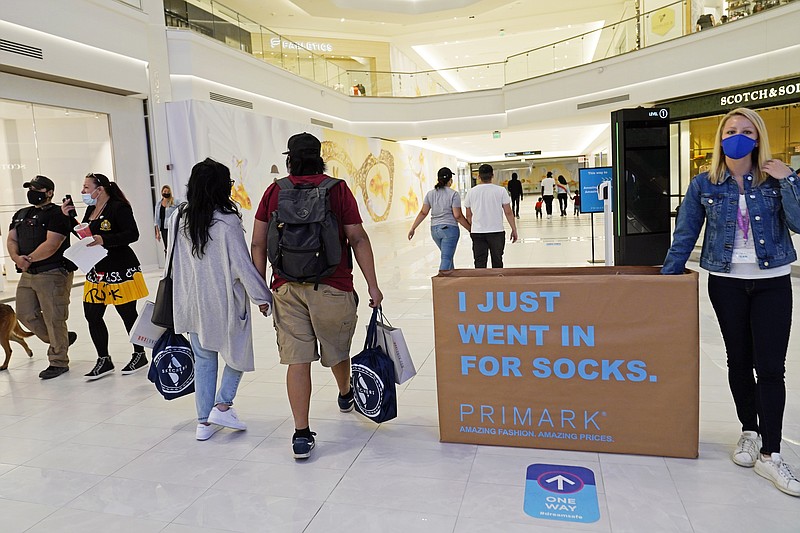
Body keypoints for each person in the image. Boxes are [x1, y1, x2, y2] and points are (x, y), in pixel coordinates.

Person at [662, 107, 800, 497]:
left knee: (771, 367)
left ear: (758, 138)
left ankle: (771, 456)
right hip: (725, 282)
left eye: (746, 131)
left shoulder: (776, 178)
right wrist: (667, 280)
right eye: (730, 130)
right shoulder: (705, 183)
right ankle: (749, 432)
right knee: (738, 361)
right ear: (721, 139)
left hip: (771, 282)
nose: (737, 136)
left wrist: (790, 181)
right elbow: (685, 233)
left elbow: (799, 223)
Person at [251, 132, 383, 460]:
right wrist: (373, 285)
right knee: (336, 351)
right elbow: (357, 237)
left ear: (290, 160)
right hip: (332, 284)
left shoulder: (274, 191)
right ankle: (345, 392)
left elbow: (257, 243)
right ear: (319, 157)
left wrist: (261, 288)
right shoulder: (336, 189)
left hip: (286, 286)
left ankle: (300, 433)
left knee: (297, 360)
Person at [170, 159, 272, 441]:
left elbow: (173, 262)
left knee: (203, 360)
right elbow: (242, 265)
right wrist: (262, 297)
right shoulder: (227, 222)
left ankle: (203, 423)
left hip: (192, 302)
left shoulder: (179, 218)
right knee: (239, 352)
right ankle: (223, 404)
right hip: (224, 301)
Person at [63, 173, 149, 380]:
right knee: (92, 314)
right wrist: (70, 219)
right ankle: (103, 358)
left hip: (120, 268)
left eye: (86, 187)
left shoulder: (119, 207)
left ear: (99, 189)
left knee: (127, 314)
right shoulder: (92, 209)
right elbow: (86, 236)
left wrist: (105, 239)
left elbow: (132, 234)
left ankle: (140, 354)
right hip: (97, 270)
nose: (83, 192)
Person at [6, 175, 76, 379]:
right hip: (27, 273)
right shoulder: (21, 213)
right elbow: (12, 238)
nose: (32, 192)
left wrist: (27, 258)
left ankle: (58, 361)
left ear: (49, 192)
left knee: (55, 317)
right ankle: (59, 341)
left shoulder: (58, 214)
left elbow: (53, 244)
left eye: (37, 189)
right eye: (30, 188)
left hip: (52, 272)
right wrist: (17, 258)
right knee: (25, 314)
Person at [407, 167, 471, 270]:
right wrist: (469, 228)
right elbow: (457, 215)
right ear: (450, 180)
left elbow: (423, 212)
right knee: (446, 258)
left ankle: (450, 283)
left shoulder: (430, 194)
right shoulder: (453, 194)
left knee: (448, 257)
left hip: (435, 231)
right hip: (449, 230)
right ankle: (440, 283)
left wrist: (413, 228)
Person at [463, 163, 518, 268]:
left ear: (478, 176)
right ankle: (497, 284)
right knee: (497, 261)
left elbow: (468, 215)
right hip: (496, 232)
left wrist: (473, 227)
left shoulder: (471, 192)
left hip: (478, 232)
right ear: (492, 175)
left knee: (479, 262)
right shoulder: (500, 190)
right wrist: (514, 229)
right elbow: (508, 212)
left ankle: (481, 284)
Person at [153, 184, 177, 253]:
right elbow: (156, 219)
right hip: (163, 228)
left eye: (168, 192)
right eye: (165, 191)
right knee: (166, 246)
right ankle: (168, 261)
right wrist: (157, 232)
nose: (166, 193)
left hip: (171, 227)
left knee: (172, 246)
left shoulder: (174, 201)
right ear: (162, 192)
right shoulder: (158, 203)